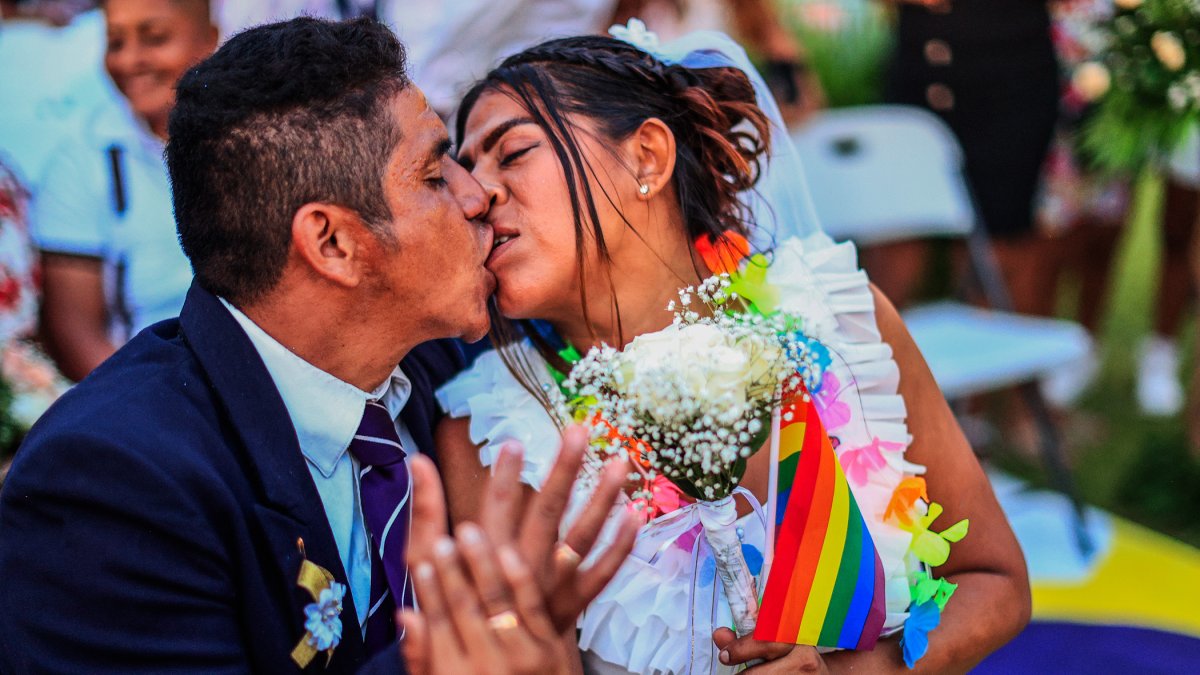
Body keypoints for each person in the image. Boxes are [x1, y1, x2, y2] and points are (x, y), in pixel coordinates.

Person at [0, 17, 637, 673]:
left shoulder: (449, 364)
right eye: (433, 174)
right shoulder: (114, 482)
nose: (478, 195)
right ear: (333, 243)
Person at [436, 28, 1029, 674]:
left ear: (648, 157)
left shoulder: (846, 322)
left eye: (513, 151)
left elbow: (995, 578)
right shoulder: (495, 438)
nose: (476, 195)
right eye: (464, 172)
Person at [30, 0, 217, 381]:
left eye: (155, 38)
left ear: (210, 39)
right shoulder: (82, 161)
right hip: (144, 390)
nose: (129, 60)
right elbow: (75, 329)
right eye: (115, 42)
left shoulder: (257, 140)